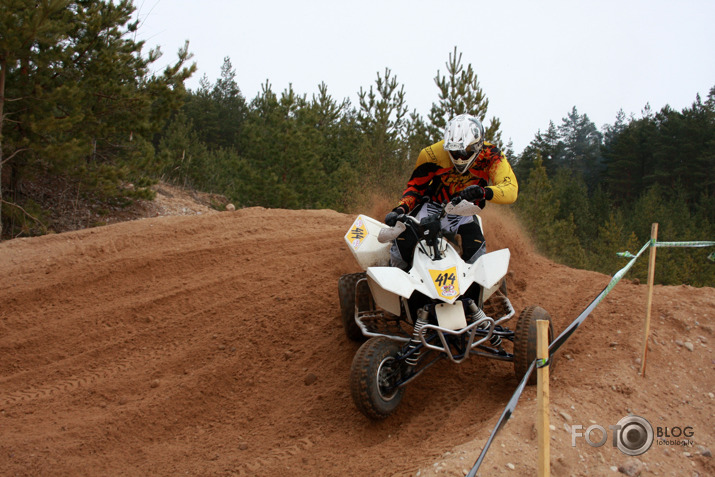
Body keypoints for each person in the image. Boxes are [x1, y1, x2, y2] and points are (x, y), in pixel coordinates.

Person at [385, 114, 518, 270]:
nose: (460, 157)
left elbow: (511, 189)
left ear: (478, 145)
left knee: (476, 250)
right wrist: (400, 209)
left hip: (464, 213)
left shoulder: (492, 156)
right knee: (403, 243)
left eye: (466, 151)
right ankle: (394, 277)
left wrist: (483, 192)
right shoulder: (432, 154)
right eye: (455, 151)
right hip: (431, 208)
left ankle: (474, 292)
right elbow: (415, 187)